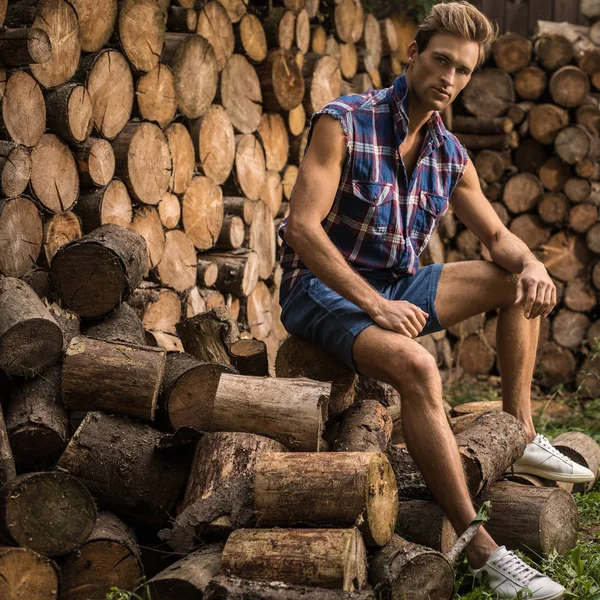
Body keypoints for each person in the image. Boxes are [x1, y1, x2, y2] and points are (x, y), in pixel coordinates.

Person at [277, 2, 595, 598]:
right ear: (413, 54)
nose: (450, 79)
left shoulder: (450, 154)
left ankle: (519, 433)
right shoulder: (344, 121)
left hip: (396, 286)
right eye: (441, 61)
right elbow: (301, 228)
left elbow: (497, 237)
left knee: (514, 280)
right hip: (319, 290)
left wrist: (531, 264)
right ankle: (478, 547)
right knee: (420, 366)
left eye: (464, 70)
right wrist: (375, 306)